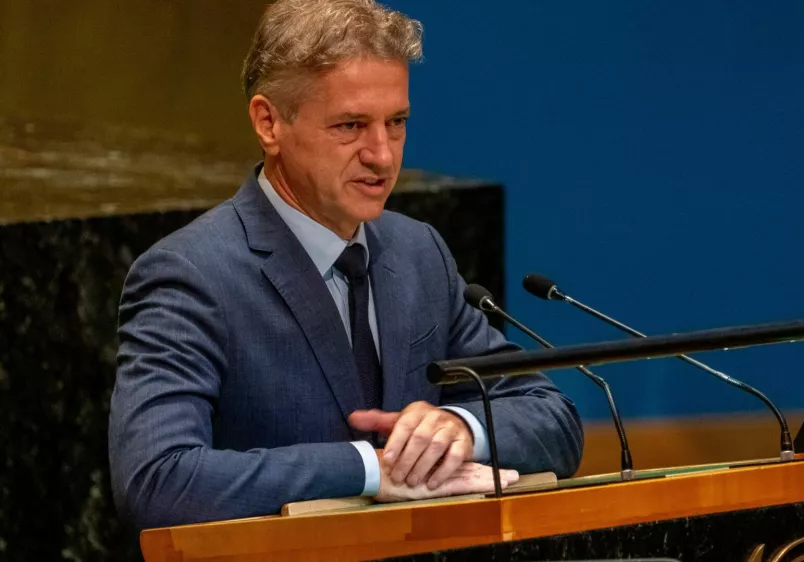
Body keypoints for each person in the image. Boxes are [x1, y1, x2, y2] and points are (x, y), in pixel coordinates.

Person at [108, 0, 583, 530]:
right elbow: (156, 480)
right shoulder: (191, 275)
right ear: (269, 123)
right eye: (351, 125)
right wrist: (370, 468)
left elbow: (553, 419)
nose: (382, 154)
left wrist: (460, 428)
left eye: (396, 122)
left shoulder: (417, 251)